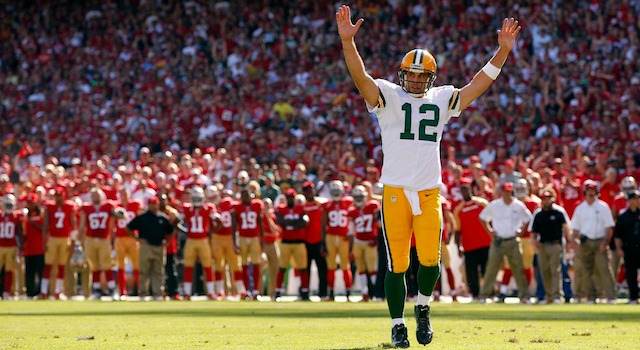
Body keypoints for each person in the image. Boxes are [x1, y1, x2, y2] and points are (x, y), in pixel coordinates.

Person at [337, 5, 520, 346]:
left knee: (430, 260)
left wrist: (503, 52)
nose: (417, 80)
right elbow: (359, 76)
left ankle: (422, 307)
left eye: (423, 76)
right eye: (413, 74)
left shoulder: (441, 98)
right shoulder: (388, 95)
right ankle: (396, 323)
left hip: (427, 191)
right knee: (397, 264)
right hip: (393, 190)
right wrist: (349, 43)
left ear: (431, 78)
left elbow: (477, 85)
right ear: (403, 74)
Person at [478, 182, 532, 303]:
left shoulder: (518, 205)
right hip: (498, 240)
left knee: (518, 267)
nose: (507, 194)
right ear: (501, 192)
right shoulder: (494, 205)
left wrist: (522, 230)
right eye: (505, 191)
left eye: (509, 191)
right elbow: (482, 217)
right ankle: (485, 294)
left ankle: (524, 295)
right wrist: (490, 231)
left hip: (513, 240)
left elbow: (528, 218)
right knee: (492, 268)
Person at [571, 180, 616, 303]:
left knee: (604, 269)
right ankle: (590, 296)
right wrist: (574, 242)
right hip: (585, 242)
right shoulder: (580, 208)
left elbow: (609, 227)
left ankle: (610, 296)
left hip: (600, 240)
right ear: (585, 193)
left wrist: (605, 242)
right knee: (586, 270)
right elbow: (575, 227)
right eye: (588, 191)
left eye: (593, 191)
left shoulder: (603, 207)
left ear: (597, 193)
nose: (591, 194)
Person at [127, 196, 175, 299]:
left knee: (158, 271)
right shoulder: (142, 217)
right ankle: (143, 292)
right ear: (148, 205)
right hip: (146, 246)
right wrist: (137, 239)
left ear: (157, 204)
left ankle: (157, 292)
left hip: (159, 246)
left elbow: (171, 231)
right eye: (151, 204)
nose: (153, 206)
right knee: (144, 270)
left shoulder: (162, 218)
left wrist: (167, 242)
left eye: (154, 204)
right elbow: (129, 227)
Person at [529, 189, 572, 304]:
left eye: (548, 198)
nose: (546, 201)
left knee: (555, 270)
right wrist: (534, 244)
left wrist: (568, 243)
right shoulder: (538, 214)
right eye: (544, 199)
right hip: (542, 245)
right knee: (544, 271)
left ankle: (557, 295)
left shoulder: (558, 212)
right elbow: (533, 233)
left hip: (555, 244)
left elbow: (566, 228)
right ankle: (549, 296)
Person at [453, 179, 491, 300]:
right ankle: (475, 294)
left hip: (485, 243)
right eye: (463, 192)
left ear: (471, 190)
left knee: (487, 269)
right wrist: (458, 246)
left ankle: (488, 293)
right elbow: (457, 230)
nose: (465, 193)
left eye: (466, 191)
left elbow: (492, 220)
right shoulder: (458, 210)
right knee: (471, 273)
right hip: (469, 246)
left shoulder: (482, 203)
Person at [41, 186, 76, 299]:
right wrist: (44, 241)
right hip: (52, 238)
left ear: (63, 196)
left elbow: (73, 225)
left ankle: (57, 291)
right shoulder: (50, 207)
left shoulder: (69, 207)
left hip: (65, 238)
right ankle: (43, 291)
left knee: (62, 266)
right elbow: (45, 225)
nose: (58, 198)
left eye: (60, 195)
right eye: (56, 196)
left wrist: (74, 242)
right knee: (48, 265)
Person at [274, 188, 310, 300]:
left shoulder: (300, 208)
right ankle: (278, 291)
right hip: (286, 242)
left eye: (291, 197)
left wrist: (289, 223)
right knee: (282, 268)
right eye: (288, 197)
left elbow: (304, 222)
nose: (290, 200)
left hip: (299, 242)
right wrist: (295, 223)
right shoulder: (281, 209)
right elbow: (280, 221)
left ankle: (304, 291)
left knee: (303, 268)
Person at [321, 180, 353, 299]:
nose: (335, 193)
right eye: (333, 191)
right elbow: (323, 224)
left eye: (337, 191)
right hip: (330, 236)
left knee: (345, 265)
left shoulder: (348, 202)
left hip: (344, 237)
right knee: (331, 266)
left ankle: (348, 291)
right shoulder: (327, 205)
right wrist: (323, 242)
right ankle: (331, 292)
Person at [348, 185, 380, 302]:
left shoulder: (372, 206)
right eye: (356, 196)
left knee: (372, 269)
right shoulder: (352, 211)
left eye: (360, 196)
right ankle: (364, 293)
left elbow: (379, 222)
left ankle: (375, 293)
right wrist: (350, 248)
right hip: (358, 242)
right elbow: (351, 231)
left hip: (370, 241)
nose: (358, 198)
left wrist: (377, 238)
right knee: (361, 268)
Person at [232, 188, 264, 299]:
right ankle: (245, 291)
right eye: (243, 196)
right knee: (243, 265)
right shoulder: (237, 207)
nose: (245, 198)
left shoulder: (257, 205)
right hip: (242, 237)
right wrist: (234, 243)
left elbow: (260, 223)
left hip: (254, 237)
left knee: (256, 264)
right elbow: (233, 227)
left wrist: (262, 240)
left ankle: (255, 290)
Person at [113, 188, 143, 298]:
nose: (124, 196)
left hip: (133, 238)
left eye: (125, 194)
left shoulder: (135, 204)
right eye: (122, 194)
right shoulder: (116, 206)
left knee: (137, 265)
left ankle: (141, 289)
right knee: (120, 266)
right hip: (120, 238)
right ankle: (122, 291)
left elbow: (140, 218)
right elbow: (112, 222)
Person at [302, 181, 329, 299]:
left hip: (319, 240)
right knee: (305, 269)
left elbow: (328, 203)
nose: (309, 192)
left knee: (322, 269)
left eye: (310, 189)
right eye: (306, 190)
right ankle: (305, 292)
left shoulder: (320, 203)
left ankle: (323, 293)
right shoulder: (303, 205)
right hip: (306, 241)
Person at [613, 190, 640, 304]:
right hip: (629, 249)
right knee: (630, 273)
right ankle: (633, 297)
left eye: (637, 199)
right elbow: (617, 235)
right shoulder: (623, 216)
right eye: (632, 199)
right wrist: (619, 249)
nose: (634, 201)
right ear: (628, 201)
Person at [0, 194, 23, 299]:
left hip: (11, 246)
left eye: (10, 205)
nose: (9, 207)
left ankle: (6, 292)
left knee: (10, 270)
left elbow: (20, 231)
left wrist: (21, 246)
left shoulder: (17, 216)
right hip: (1, 245)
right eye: (7, 205)